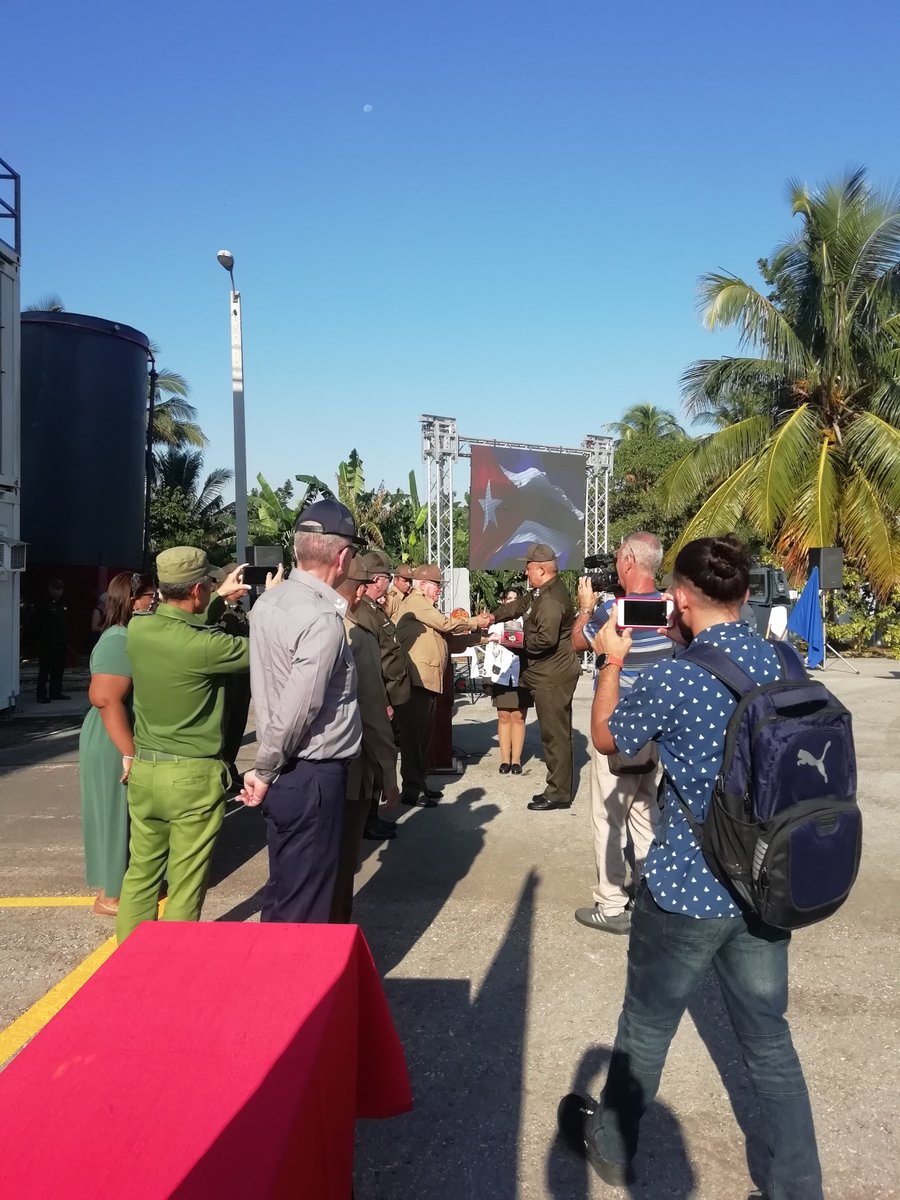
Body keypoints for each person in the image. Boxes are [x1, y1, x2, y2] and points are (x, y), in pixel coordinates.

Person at [558, 535, 824, 1200]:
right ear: (742, 593)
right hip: (766, 883)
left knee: (646, 1028)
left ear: (677, 599)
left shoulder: (678, 674)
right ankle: (798, 1185)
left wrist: (613, 664)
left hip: (688, 886)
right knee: (769, 1042)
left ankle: (614, 1146)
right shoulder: (784, 661)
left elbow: (608, 739)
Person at [116, 550, 250, 943]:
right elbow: (270, 652)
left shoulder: (140, 630)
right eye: (207, 585)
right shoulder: (209, 648)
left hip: (146, 770)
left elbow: (180, 627)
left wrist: (218, 599)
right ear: (196, 589)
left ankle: (129, 962)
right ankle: (169, 969)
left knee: (140, 875)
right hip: (192, 775)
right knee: (186, 885)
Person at [240, 499, 363, 923]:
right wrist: (265, 768)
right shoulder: (321, 618)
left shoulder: (269, 604)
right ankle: (290, 988)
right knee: (306, 907)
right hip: (309, 772)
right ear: (343, 556)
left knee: (285, 890)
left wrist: (267, 767)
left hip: (288, 771)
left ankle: (273, 981)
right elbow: (299, 706)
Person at [570, 532, 672, 934]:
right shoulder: (669, 609)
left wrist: (585, 609)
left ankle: (611, 905)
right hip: (657, 730)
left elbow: (579, 642)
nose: (613, 566)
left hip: (615, 727)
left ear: (629, 561)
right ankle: (651, 896)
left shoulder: (614, 610)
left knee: (608, 817)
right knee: (647, 813)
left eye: (616, 559)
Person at [79, 571, 156, 917]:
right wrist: (129, 752)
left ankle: (117, 886)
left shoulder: (125, 634)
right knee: (114, 814)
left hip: (117, 731)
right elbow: (105, 699)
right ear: (132, 600)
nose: (153, 601)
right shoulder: (116, 640)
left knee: (121, 813)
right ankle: (110, 896)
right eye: (149, 596)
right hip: (112, 735)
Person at [331, 555, 400, 921]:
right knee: (341, 869)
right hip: (348, 765)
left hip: (291, 771)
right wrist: (389, 773)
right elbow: (373, 712)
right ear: (360, 590)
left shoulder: (283, 616)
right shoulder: (355, 633)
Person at [490, 544, 581, 811]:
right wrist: (492, 617)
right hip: (547, 673)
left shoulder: (551, 600)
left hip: (553, 675)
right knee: (554, 735)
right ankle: (557, 787)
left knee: (555, 737)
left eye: (528, 567)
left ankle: (559, 793)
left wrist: (509, 639)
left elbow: (544, 640)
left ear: (541, 569)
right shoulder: (542, 592)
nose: (525, 572)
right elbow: (519, 606)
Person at [394, 565, 490, 806]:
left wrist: (486, 637)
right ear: (423, 585)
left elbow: (449, 641)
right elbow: (446, 625)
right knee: (414, 740)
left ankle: (419, 784)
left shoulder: (425, 607)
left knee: (424, 739)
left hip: (427, 681)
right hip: (417, 681)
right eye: (437, 586)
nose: (440, 591)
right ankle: (411, 791)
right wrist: (476, 621)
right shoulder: (417, 602)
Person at [353, 550, 411, 840]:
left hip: (388, 694)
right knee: (374, 762)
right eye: (387, 579)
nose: (388, 585)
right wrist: (385, 702)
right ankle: (368, 819)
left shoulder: (374, 609)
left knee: (380, 759)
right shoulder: (363, 612)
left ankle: (372, 816)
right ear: (377, 579)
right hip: (380, 697)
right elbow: (373, 663)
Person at [217, 561, 285, 788]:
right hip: (229, 681)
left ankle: (229, 763)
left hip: (242, 681)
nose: (245, 585)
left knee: (236, 726)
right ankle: (223, 768)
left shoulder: (235, 610)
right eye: (240, 579)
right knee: (226, 727)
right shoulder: (221, 614)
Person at [486, 587, 530, 775]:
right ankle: (505, 760)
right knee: (504, 716)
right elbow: (489, 652)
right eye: (508, 598)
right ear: (503, 601)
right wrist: (487, 676)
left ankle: (516, 761)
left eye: (515, 599)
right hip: (501, 675)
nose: (511, 602)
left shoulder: (527, 622)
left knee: (518, 717)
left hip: (522, 673)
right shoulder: (496, 624)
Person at [34, 578, 70, 703]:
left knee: (58, 669)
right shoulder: (44, 604)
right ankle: (41, 694)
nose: (59, 591)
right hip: (47, 643)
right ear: (50, 588)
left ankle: (56, 692)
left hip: (61, 642)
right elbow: (37, 624)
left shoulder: (63, 603)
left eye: (61, 589)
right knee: (44, 669)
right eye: (57, 588)